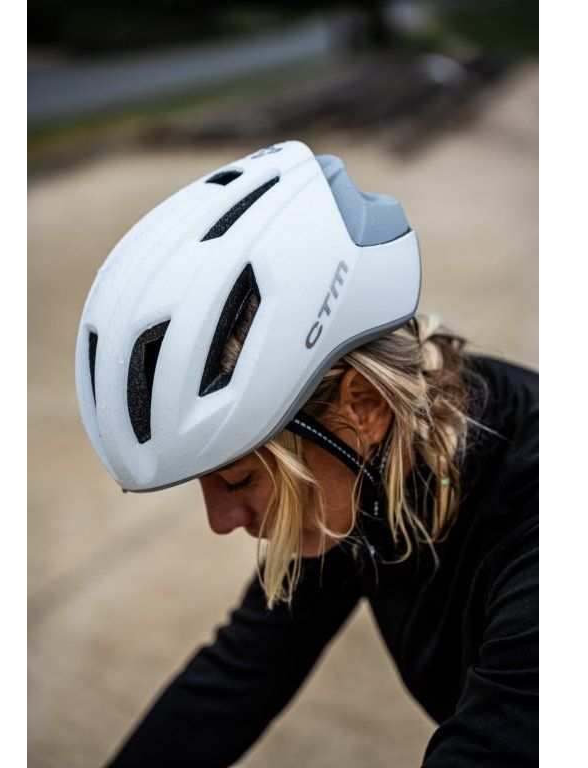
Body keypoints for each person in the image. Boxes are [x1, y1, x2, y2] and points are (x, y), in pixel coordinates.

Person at [76, 141, 538, 767]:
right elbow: (240, 677)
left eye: (238, 479)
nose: (220, 520)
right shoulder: (361, 475)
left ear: (363, 406)